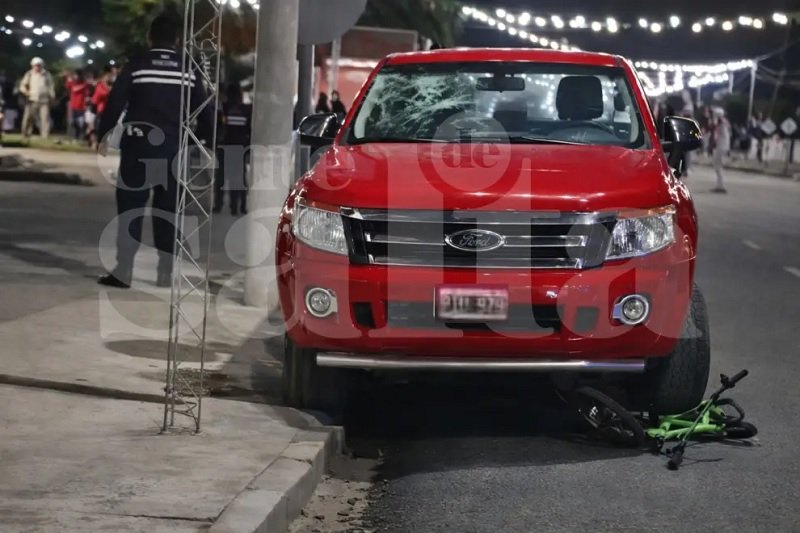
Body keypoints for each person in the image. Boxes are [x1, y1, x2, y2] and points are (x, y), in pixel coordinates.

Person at [96, 14, 214, 288]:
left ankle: (124, 270)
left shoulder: (137, 65)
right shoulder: (188, 69)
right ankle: (164, 272)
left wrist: (104, 135)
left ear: (151, 36)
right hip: (173, 151)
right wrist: (202, 139)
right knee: (168, 211)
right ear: (176, 40)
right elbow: (205, 110)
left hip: (137, 148)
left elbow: (115, 101)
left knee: (130, 209)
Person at [214, 82, 252, 216]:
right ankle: (239, 207)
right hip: (239, 148)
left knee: (221, 178)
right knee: (239, 179)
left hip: (224, 147)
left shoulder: (223, 108)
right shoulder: (246, 110)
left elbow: (218, 127)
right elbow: (249, 130)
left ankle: (218, 205)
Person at [19, 57, 55, 139]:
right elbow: (22, 85)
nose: (37, 67)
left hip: (44, 100)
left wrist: (52, 97)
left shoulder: (46, 74)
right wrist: (26, 92)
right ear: (32, 66)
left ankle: (45, 136)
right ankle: (26, 134)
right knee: (28, 118)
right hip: (32, 99)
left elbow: (50, 87)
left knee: (45, 119)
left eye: (39, 65)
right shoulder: (29, 74)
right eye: (36, 65)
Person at [89, 67, 113, 149]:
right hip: (98, 109)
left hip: (107, 109)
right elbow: (101, 94)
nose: (110, 78)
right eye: (108, 77)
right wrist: (108, 89)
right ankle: (94, 142)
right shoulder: (100, 85)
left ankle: (101, 143)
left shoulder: (110, 85)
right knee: (96, 127)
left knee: (104, 128)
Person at [65, 69, 90, 141]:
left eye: (77, 75)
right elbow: (68, 86)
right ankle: (75, 136)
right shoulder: (72, 83)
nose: (76, 77)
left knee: (81, 123)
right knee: (73, 122)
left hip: (81, 107)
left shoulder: (84, 84)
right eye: (75, 75)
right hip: (73, 106)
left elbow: (79, 90)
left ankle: (80, 137)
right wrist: (68, 77)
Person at [710, 107, 731, 194]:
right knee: (718, 165)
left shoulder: (720, 122)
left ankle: (721, 186)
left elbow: (714, 127)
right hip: (724, 146)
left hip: (721, 146)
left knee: (717, 165)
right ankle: (719, 185)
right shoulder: (724, 122)